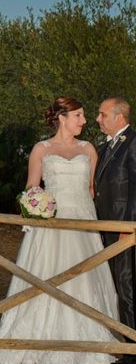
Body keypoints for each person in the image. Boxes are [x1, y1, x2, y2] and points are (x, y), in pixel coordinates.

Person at [0, 96, 119, 364]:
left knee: (83, 278)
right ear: (62, 118)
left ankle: (88, 337)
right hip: (51, 224)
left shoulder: (89, 149)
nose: (85, 121)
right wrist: (34, 205)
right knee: (47, 275)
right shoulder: (41, 149)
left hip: (82, 224)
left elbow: (91, 190)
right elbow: (31, 187)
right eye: (78, 115)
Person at [95, 96, 136, 364]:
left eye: (102, 114)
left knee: (127, 286)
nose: (98, 119)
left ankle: (133, 350)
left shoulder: (133, 143)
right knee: (112, 286)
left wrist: (129, 227)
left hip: (124, 230)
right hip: (104, 227)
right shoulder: (103, 148)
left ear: (119, 117)